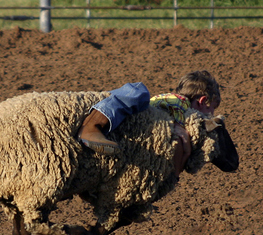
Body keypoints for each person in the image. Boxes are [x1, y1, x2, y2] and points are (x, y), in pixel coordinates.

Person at [77, 70, 221, 175]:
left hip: (134, 130)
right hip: (134, 115)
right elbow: (179, 132)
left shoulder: (180, 113)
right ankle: (92, 126)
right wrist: (178, 126)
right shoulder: (179, 102)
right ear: (202, 101)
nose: (211, 114)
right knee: (138, 90)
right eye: (212, 108)